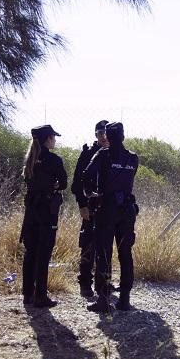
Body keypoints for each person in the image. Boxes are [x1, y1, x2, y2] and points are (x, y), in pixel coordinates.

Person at [83, 122, 139, 313]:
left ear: (107, 136)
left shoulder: (103, 154)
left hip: (107, 211)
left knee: (104, 255)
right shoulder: (133, 158)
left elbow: (86, 175)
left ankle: (103, 300)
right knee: (125, 254)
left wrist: (91, 194)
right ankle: (124, 299)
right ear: (123, 136)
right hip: (127, 211)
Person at [20, 124, 68, 308]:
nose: (55, 140)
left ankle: (27, 294)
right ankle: (41, 295)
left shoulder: (30, 159)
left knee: (30, 251)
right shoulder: (54, 160)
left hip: (31, 210)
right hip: (47, 211)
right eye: (53, 137)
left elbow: (29, 182)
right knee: (44, 252)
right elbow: (63, 183)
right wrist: (53, 186)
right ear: (47, 139)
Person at [71, 120, 109, 297]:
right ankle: (85, 282)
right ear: (95, 134)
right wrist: (82, 205)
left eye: (106, 132)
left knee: (106, 247)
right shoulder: (88, 154)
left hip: (109, 208)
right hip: (91, 207)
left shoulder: (114, 153)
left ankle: (104, 283)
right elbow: (77, 183)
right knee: (88, 244)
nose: (103, 136)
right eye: (100, 132)